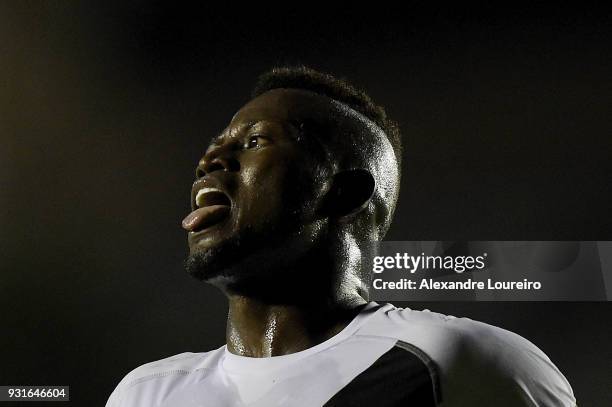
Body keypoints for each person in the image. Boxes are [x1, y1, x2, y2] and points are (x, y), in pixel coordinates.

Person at [105, 66, 576, 406]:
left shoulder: (460, 364)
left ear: (343, 192)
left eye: (254, 142)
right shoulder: (144, 392)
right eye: (213, 149)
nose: (211, 162)